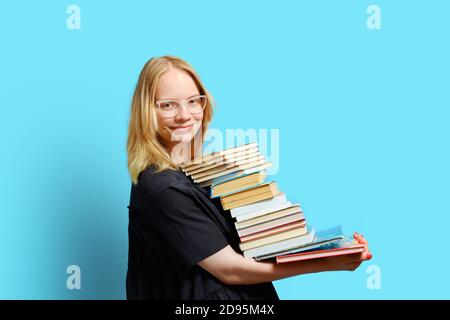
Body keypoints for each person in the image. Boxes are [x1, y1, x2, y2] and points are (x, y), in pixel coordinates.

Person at [125, 55, 372, 300]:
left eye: (192, 101)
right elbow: (230, 270)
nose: (185, 115)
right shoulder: (162, 186)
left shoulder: (197, 174)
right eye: (168, 105)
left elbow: (254, 246)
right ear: (147, 111)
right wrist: (328, 262)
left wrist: (329, 247)